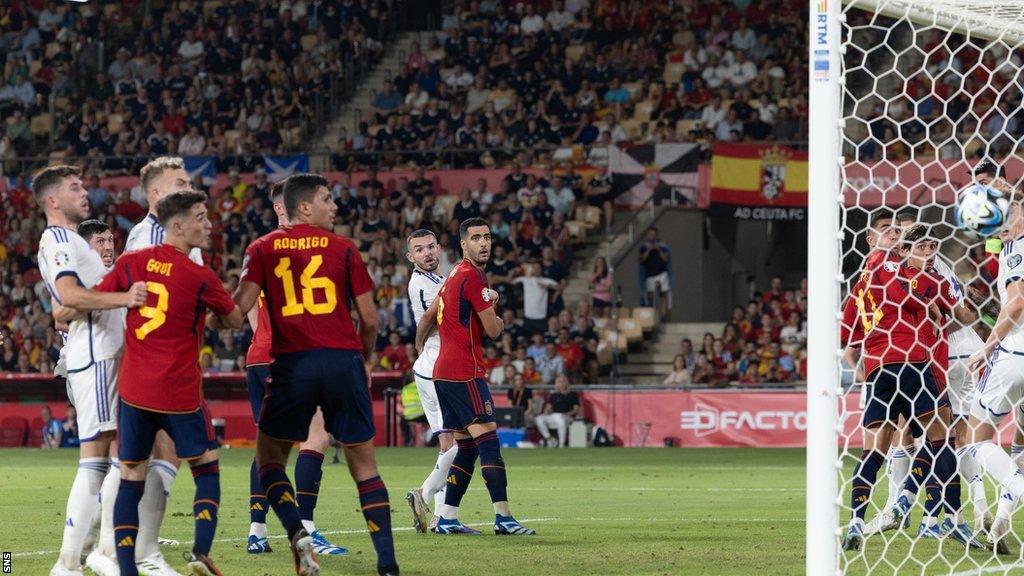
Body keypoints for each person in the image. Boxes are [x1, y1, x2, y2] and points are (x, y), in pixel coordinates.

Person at [233, 173, 397, 576]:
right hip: (343, 362)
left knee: (269, 458)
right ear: (304, 206)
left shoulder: (262, 249)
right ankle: (388, 563)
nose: (335, 206)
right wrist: (366, 359)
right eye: (328, 199)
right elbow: (371, 320)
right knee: (364, 466)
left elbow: (236, 311)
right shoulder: (343, 248)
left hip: (290, 364)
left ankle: (295, 532)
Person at [91, 191, 241, 576]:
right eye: (201, 218)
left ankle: (127, 569)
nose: (208, 224)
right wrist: (213, 319)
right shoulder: (199, 276)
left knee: (130, 475)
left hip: (135, 389)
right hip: (178, 392)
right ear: (177, 225)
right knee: (206, 467)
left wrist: (126, 298)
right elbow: (235, 318)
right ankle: (200, 551)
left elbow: (98, 298)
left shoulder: (132, 262)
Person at [34, 165, 146, 576]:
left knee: (114, 457)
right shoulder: (59, 238)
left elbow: (65, 301)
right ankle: (87, 556)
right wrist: (125, 298)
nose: (84, 192)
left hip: (103, 356)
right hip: (96, 358)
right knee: (105, 457)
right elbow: (65, 296)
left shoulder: (69, 242)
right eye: (74, 187)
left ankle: (90, 554)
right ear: (51, 200)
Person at [839, 224, 969, 551]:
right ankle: (943, 515)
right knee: (942, 436)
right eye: (893, 234)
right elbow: (956, 312)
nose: (896, 238)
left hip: (877, 368)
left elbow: (846, 337)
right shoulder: (916, 275)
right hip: (913, 361)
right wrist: (937, 305)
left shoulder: (862, 282)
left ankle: (856, 519)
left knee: (874, 450)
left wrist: (862, 365)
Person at [243, 183, 348, 556]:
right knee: (317, 438)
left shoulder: (258, 249)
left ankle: (257, 532)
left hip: (261, 356)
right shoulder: (312, 247)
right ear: (286, 207)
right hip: (294, 356)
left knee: (268, 446)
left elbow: (251, 312)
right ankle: (307, 529)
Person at [415, 217, 535, 536]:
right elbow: (494, 331)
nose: (484, 243)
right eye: (476, 238)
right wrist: (495, 310)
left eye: (487, 237)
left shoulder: (454, 273)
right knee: (489, 441)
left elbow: (428, 319)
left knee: (466, 448)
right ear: (463, 244)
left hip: (443, 371)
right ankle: (504, 517)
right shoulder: (472, 276)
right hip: (464, 372)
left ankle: (448, 517)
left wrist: (421, 351)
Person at [122, 156, 204, 575]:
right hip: (155, 363)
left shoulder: (180, 235)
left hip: (174, 361)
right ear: (156, 194)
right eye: (180, 183)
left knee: (150, 456)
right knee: (151, 455)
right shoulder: (148, 238)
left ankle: (110, 540)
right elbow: (133, 301)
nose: (189, 187)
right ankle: (142, 551)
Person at [964, 199, 1024, 553]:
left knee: (974, 437)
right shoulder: (1006, 246)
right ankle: (999, 523)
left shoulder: (1017, 248)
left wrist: (987, 345)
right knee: (1020, 444)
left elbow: (1017, 303)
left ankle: (1016, 487)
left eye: (1012, 209)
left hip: (1016, 354)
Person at [404, 228, 462, 534]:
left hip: (432, 368)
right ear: (410, 256)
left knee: (448, 443)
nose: (427, 253)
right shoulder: (423, 285)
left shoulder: (438, 279)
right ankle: (423, 495)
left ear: (438, 248)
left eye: (430, 247)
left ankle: (443, 519)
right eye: (419, 249)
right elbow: (437, 317)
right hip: (438, 370)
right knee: (466, 441)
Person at [534, 375, 580, 448]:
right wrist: (547, 411)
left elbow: (576, 410)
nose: (561, 384)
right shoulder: (553, 395)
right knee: (539, 418)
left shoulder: (573, 395)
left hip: (567, 416)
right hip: (554, 416)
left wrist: (565, 414)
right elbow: (547, 408)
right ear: (557, 384)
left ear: (567, 383)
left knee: (560, 418)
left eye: (563, 381)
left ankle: (561, 443)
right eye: (559, 382)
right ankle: (550, 439)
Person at [639, 227, 671, 319]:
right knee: (650, 296)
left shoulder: (663, 246)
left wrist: (658, 249)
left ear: (657, 236)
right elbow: (641, 260)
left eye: (654, 235)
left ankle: (664, 315)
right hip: (650, 274)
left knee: (664, 294)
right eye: (650, 234)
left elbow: (666, 259)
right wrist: (648, 250)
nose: (652, 236)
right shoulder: (643, 247)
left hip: (662, 272)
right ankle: (651, 315)